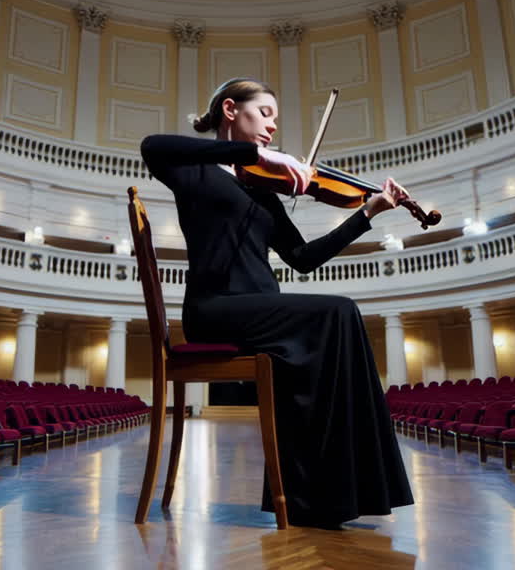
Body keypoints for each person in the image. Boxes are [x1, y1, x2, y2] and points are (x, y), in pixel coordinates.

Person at [140, 77, 413, 529]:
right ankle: (328, 492)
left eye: (274, 121)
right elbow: (153, 146)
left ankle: (320, 498)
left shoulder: (264, 191)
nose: (272, 127)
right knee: (339, 311)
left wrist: (368, 212)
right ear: (231, 110)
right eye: (264, 113)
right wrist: (256, 155)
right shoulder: (194, 171)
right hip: (214, 309)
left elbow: (303, 259)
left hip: (261, 309)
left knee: (336, 320)